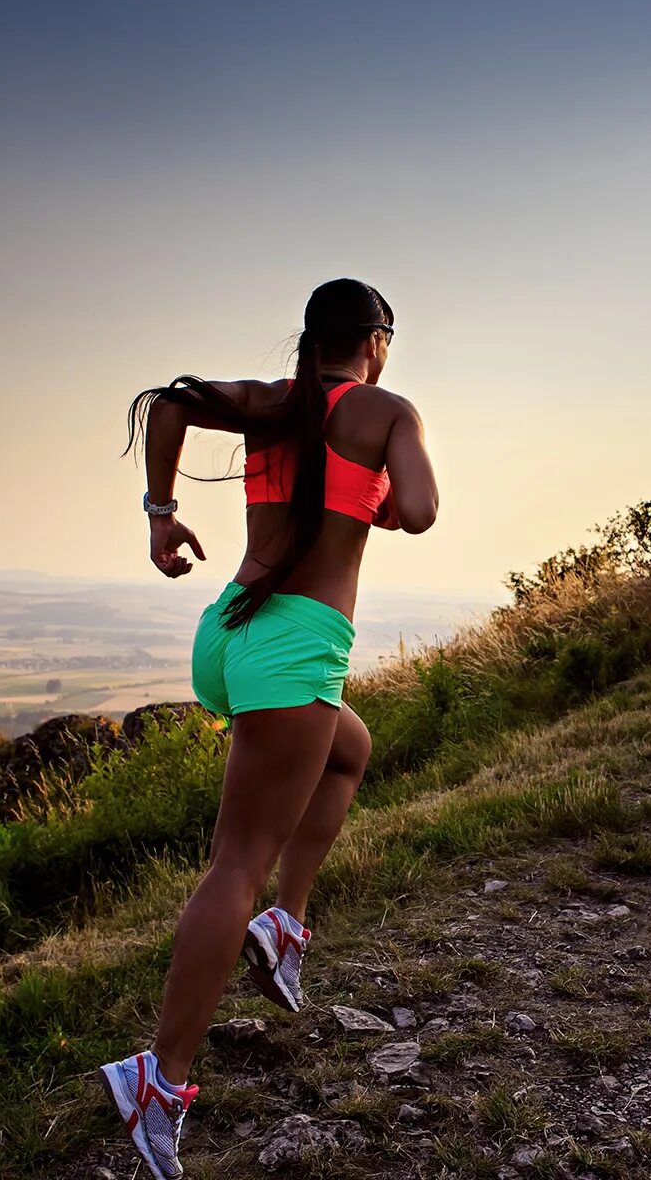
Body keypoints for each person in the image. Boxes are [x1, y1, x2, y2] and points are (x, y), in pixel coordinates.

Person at [100, 279, 437, 1180]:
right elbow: (423, 511)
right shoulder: (386, 409)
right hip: (294, 648)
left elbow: (167, 404)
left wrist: (161, 514)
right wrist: (380, 495)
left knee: (348, 751)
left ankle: (286, 924)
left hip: (231, 630)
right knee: (235, 862)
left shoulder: (275, 404)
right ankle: (157, 1080)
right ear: (376, 338)